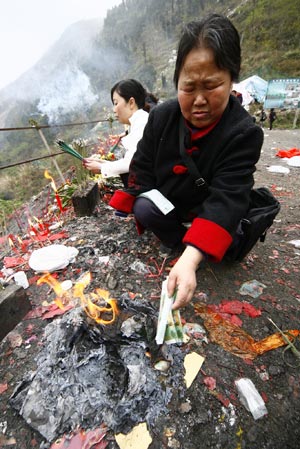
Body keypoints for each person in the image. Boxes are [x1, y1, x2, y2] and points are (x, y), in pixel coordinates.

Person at [109, 14, 263, 310]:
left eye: (212, 86)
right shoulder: (162, 116)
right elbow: (142, 166)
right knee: (144, 206)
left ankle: (196, 247)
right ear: (177, 80)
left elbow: (229, 197)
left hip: (210, 207)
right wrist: (133, 198)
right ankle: (186, 240)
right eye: (189, 87)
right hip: (173, 205)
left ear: (232, 79)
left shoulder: (243, 132)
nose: (199, 100)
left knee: (227, 232)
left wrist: (190, 260)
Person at [83, 79, 157, 187]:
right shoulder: (139, 121)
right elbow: (131, 160)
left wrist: (101, 167)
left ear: (131, 102)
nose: (114, 110)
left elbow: (131, 163)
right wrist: (102, 164)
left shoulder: (141, 122)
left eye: (116, 103)